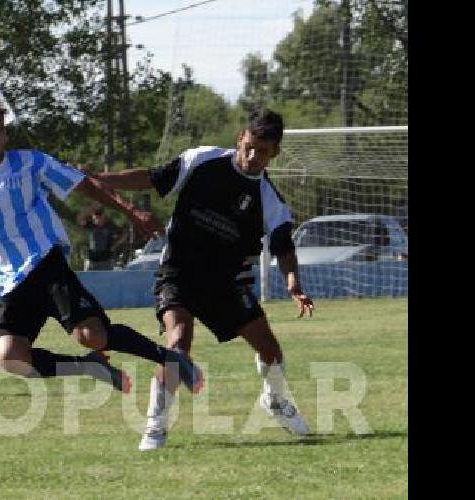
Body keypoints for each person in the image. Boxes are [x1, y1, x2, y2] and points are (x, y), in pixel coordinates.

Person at [0, 84, 203, 397]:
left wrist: (132, 212)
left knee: (91, 334)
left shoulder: (31, 163)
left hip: (45, 265)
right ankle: (89, 367)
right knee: (10, 357)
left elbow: (84, 184)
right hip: (6, 284)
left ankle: (170, 358)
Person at [90, 108, 316, 450]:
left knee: (271, 352)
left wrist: (293, 283)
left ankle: (275, 400)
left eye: (263, 152)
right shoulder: (202, 160)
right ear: (240, 137)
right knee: (178, 343)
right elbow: (153, 177)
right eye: (250, 146)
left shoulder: (269, 200)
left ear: (275, 153)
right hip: (179, 273)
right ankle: (155, 427)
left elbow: (284, 247)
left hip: (227, 284)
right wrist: (102, 180)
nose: (253, 157)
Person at [76, 204, 121, 270]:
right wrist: (90, 209)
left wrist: (115, 244)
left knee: (106, 279)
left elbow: (123, 233)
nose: (97, 220)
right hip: (92, 260)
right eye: (95, 218)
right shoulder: (90, 225)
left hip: (106, 261)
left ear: (103, 216)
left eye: (99, 217)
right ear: (93, 217)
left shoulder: (109, 226)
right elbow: (79, 219)